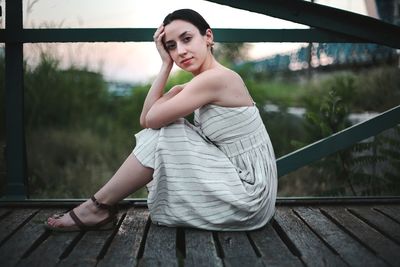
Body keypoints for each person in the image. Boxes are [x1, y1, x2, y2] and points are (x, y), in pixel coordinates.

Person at [45, 9, 277, 232]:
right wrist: (166, 64)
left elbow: (153, 121)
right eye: (171, 47)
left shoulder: (217, 79)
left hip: (249, 195)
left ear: (208, 36)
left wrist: (167, 67)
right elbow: (146, 118)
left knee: (168, 129)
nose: (181, 51)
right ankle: (97, 207)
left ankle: (97, 207)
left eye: (187, 39)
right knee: (164, 129)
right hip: (237, 182)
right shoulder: (199, 83)